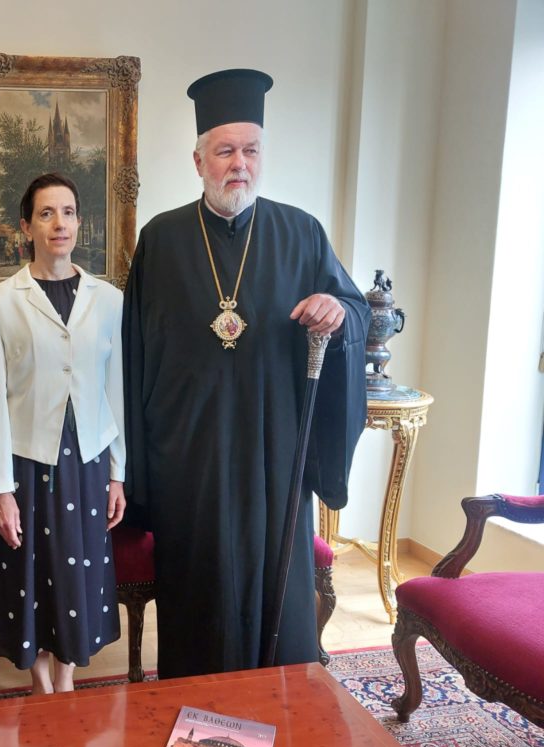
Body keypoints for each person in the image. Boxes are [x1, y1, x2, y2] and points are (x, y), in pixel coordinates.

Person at [122, 69, 371, 679]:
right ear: (198, 160)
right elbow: (133, 358)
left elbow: (355, 309)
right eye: (225, 151)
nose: (240, 164)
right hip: (189, 456)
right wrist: (138, 468)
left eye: (251, 150)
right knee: (197, 592)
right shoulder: (161, 240)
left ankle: (279, 699)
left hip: (274, 451)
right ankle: (195, 704)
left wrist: (337, 311)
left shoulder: (301, 232)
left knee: (276, 589)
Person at [0, 173, 126, 694]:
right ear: (26, 226)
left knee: (76, 573)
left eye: (68, 212)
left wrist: (118, 474)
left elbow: (114, 391)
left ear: (79, 222)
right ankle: (41, 683)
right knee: (30, 575)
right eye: (46, 213)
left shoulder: (109, 300)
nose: (59, 223)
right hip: (27, 462)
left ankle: (67, 678)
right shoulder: (0, 302)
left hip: (88, 461)